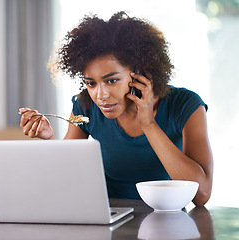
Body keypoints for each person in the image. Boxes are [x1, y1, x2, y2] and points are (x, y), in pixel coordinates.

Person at [19, 11, 213, 206]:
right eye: (91, 83)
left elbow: (201, 195)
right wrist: (48, 141)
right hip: (109, 217)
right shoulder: (85, 106)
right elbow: (64, 179)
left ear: (140, 72)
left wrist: (148, 124)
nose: (101, 95)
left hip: (168, 218)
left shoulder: (185, 105)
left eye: (111, 80)